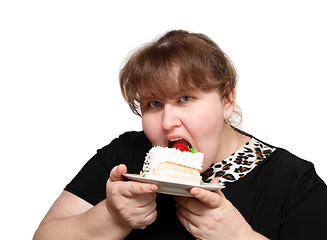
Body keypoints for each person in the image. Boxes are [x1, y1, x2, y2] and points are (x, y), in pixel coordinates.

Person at [33, 30, 327, 240]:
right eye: (154, 104)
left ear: (226, 100)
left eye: (185, 98)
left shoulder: (294, 181)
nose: (168, 122)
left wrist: (239, 237)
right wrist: (109, 217)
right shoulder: (125, 155)